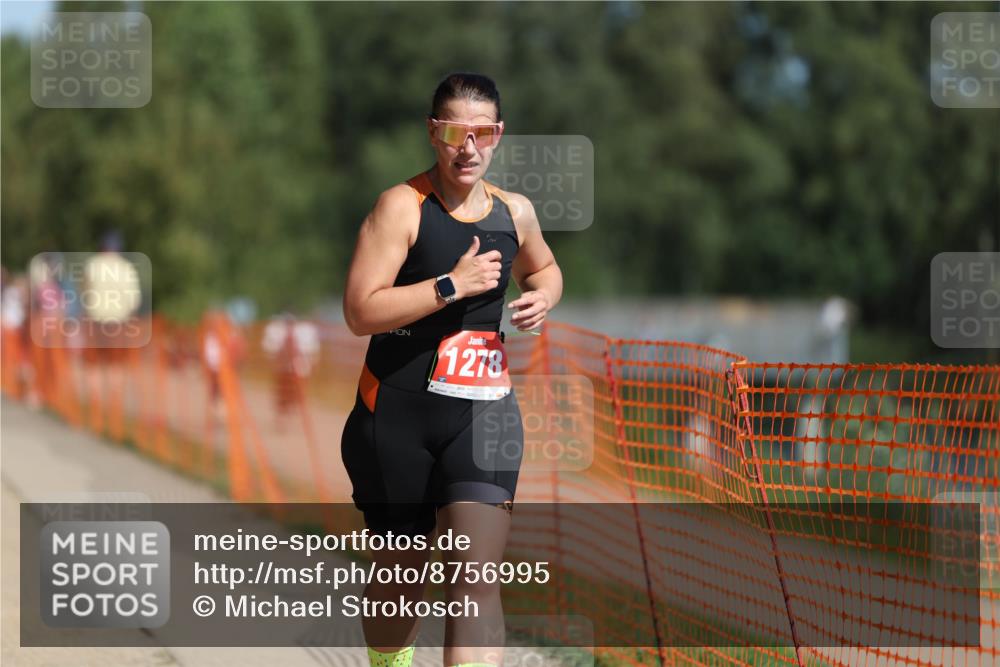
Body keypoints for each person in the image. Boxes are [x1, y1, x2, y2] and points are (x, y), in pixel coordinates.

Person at [341, 73, 562, 667]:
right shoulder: (402, 207)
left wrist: (544, 295)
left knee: (475, 580)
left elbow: (543, 269)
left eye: (482, 132)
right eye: (455, 132)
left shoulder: (515, 212)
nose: (469, 147)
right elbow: (361, 311)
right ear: (433, 133)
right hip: (394, 420)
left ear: (498, 135)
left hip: (482, 416)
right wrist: (449, 286)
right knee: (399, 584)